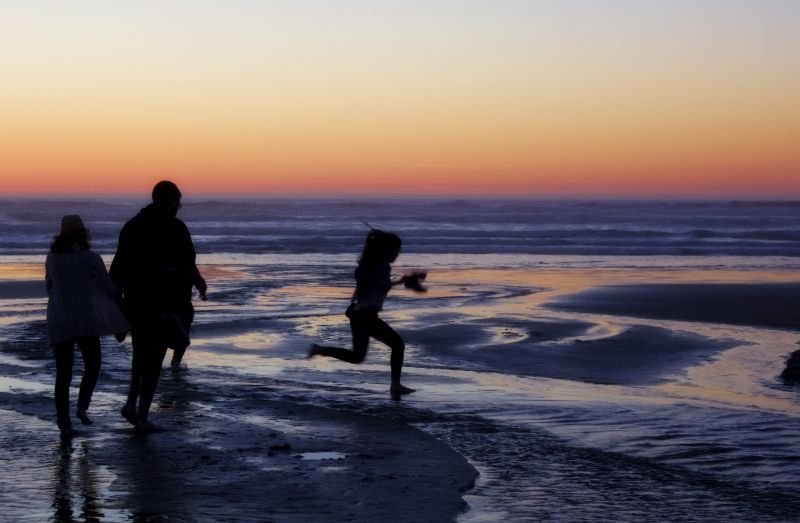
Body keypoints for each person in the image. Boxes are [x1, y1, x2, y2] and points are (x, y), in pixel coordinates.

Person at [110, 181, 200, 433]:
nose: (180, 206)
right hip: (164, 302)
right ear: (170, 202)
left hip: (135, 300)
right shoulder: (175, 227)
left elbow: (119, 265)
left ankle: (131, 405)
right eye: (178, 202)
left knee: (141, 354)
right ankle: (141, 418)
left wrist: (117, 301)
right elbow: (187, 263)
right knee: (155, 358)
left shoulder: (132, 225)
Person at [308, 228, 426, 397]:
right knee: (397, 345)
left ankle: (320, 350)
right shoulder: (382, 266)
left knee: (357, 357)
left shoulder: (366, 265)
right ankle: (395, 385)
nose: (397, 254)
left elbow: (364, 287)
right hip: (366, 315)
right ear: (386, 250)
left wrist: (353, 304)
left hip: (358, 314)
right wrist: (406, 282)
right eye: (396, 251)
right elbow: (379, 288)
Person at [46, 215, 130, 441]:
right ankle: (82, 407)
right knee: (93, 364)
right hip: (84, 319)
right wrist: (123, 313)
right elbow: (110, 288)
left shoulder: (52, 257)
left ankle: (64, 425)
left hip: (59, 317)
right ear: (83, 233)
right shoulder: (90, 258)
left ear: (61, 234)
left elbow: (49, 287)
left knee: (63, 375)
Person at [168, 264, 207, 372]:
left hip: (162, 305)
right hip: (182, 306)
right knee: (183, 336)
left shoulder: (162, 261)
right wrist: (203, 293)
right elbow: (199, 281)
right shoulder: (188, 264)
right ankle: (176, 362)